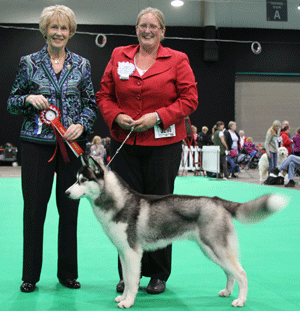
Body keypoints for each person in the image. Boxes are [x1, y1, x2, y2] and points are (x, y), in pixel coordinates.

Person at [96, 7, 198, 295]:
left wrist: (158, 117)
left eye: (154, 26)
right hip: (124, 144)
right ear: (136, 29)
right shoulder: (119, 55)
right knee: (125, 210)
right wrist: (115, 115)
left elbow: (190, 99)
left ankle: (158, 273)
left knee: (161, 210)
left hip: (163, 147)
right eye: (143, 25)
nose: (148, 30)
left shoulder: (177, 59)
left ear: (163, 31)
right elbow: (104, 94)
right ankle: (129, 273)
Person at [7, 5, 97, 293]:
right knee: (34, 211)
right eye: (54, 27)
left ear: (71, 32)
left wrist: (82, 125)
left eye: (64, 28)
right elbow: (11, 102)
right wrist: (28, 99)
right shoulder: (28, 63)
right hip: (35, 145)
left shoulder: (82, 65)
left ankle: (67, 274)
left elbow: (91, 105)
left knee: (69, 212)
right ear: (44, 30)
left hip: (71, 146)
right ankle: (30, 275)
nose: (59, 33)